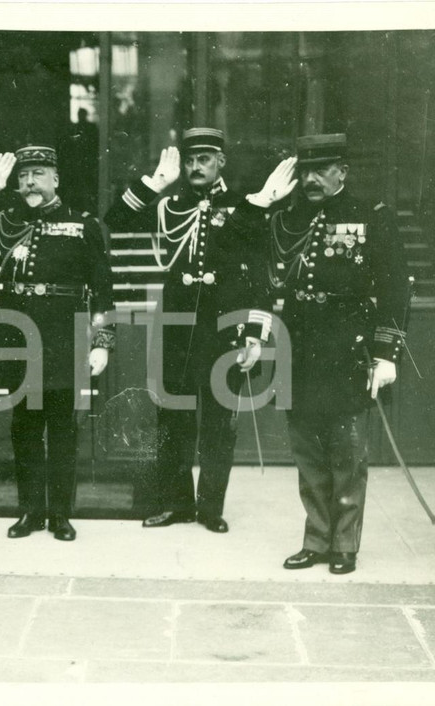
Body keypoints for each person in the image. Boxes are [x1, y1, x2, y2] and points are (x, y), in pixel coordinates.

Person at [104, 127, 297, 533]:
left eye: (204, 159)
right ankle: (176, 504)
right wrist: (153, 184)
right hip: (177, 325)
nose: (195, 167)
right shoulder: (170, 203)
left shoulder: (245, 205)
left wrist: (255, 335)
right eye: (190, 160)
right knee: (172, 417)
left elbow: (263, 275)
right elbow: (115, 220)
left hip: (223, 328)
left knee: (217, 422)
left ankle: (210, 508)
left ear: (220, 161)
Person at [0, 146, 115, 542]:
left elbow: (104, 291)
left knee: (62, 429)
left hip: (63, 339)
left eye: (39, 174)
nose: (30, 182)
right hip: (16, 338)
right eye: (24, 175)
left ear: (55, 179)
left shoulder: (82, 225)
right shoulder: (3, 221)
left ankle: (60, 514)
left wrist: (102, 342)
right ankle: (30, 511)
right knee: (25, 427)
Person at [272, 133, 409, 575]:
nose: (310, 179)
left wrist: (387, 354)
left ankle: (344, 543)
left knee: (347, 451)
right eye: (304, 171)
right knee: (307, 450)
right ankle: (316, 539)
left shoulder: (372, 217)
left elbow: (393, 289)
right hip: (299, 346)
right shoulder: (288, 217)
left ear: (342, 172)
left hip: (348, 347)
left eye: (320, 170)